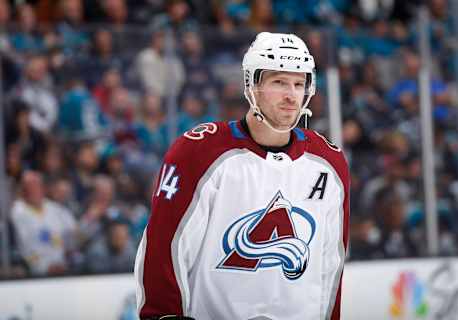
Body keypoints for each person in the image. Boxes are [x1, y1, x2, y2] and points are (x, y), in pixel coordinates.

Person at [134, 32, 350, 320]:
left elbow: (330, 265)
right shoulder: (199, 152)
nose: (291, 95)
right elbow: (165, 246)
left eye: (299, 84)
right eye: (279, 82)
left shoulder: (328, 162)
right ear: (253, 85)